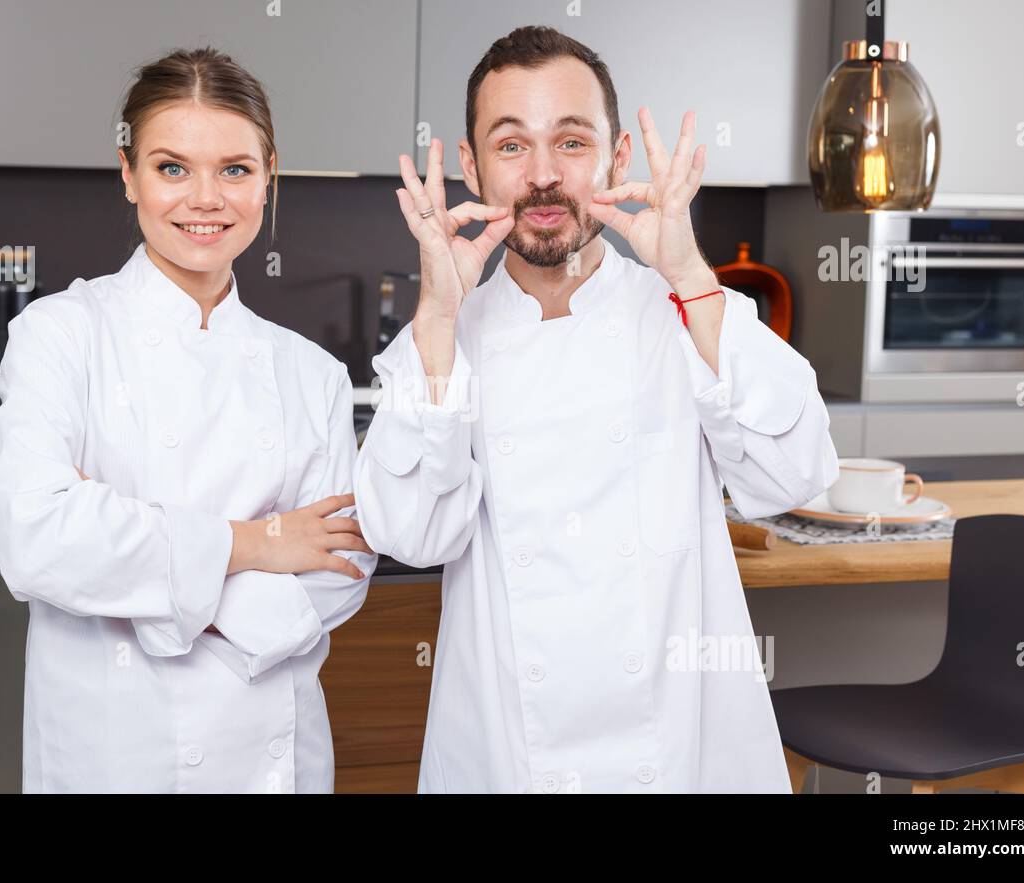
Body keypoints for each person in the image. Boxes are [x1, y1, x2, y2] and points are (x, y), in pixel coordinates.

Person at [354, 25, 839, 793]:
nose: (543, 176)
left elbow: (795, 473)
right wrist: (438, 321)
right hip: (508, 755)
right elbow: (409, 533)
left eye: (571, 142)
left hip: (683, 757)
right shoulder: (448, 337)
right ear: (474, 166)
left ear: (617, 160)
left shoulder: (685, 308)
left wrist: (688, 272)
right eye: (512, 146)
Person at [0, 46, 376, 793]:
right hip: (110, 751)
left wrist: (147, 579)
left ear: (268, 178)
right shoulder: (62, 333)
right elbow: (32, 536)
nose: (206, 199)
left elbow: (340, 569)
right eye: (172, 168)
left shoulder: (312, 373)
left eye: (234, 169)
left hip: (272, 754)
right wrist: (260, 542)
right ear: (128, 174)